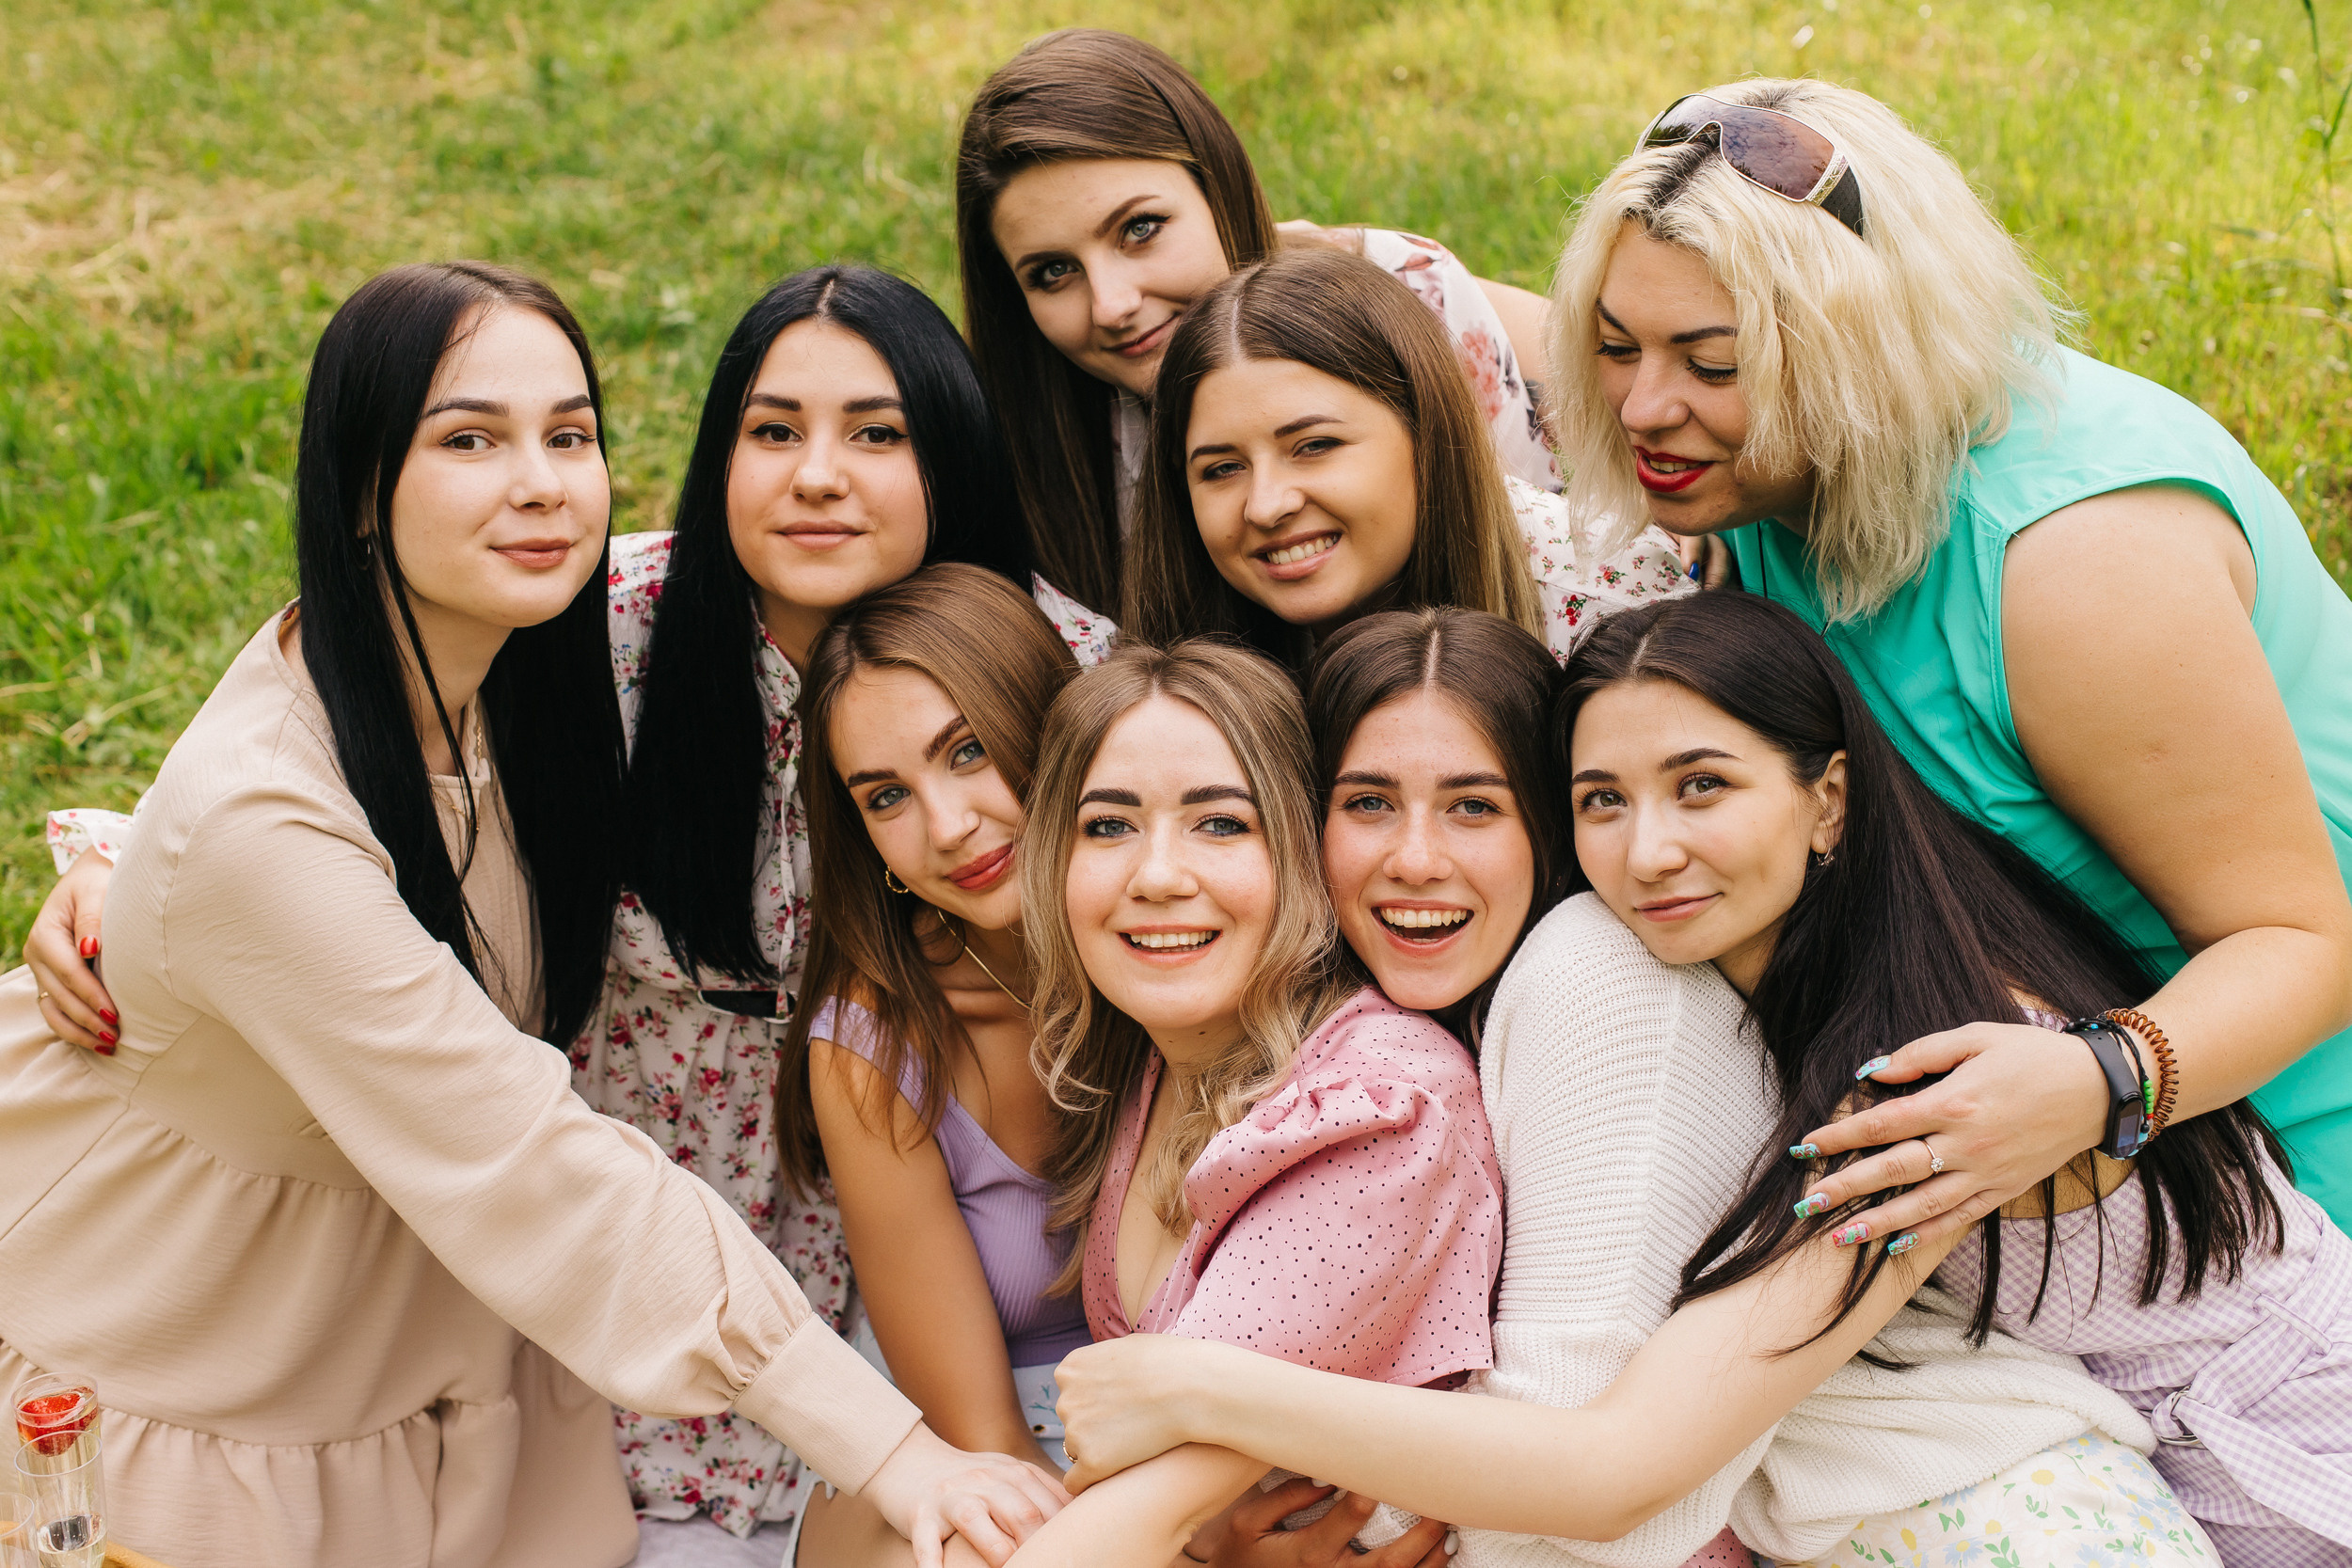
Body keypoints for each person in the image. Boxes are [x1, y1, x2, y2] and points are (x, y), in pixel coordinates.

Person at [25, 263, 1107, 1546]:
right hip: (185, 1346)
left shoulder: (518, 646)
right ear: (363, 487)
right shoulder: (597, 641)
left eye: (571, 435)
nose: (538, 483)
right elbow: (516, 1150)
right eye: (471, 438)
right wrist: (120, 866)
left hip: (473, 1329)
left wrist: (130, 857)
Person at [1038, 592, 2265, 1568]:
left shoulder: (1907, 1085)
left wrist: (1201, 1386)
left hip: (2093, 1498)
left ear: (1827, 796)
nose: (1651, 850)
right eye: (1605, 801)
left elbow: (1612, 1476)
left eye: (1475, 803)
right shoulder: (1722, 991)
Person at [1543, 78, 2352, 1235]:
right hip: (2038, 1120)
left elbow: (2306, 948)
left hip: (2276, 1155)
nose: (1641, 405)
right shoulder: (1780, 469)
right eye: (1617, 346)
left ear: (1857, 352)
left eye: (1712, 365)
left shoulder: (2073, 567)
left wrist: (2095, 1080)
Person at [1011, 638, 1503, 1565]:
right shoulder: (1162, 1064)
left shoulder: (1381, 1107)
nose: (1156, 874)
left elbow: (1143, 1512)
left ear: (1301, 850)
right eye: (1108, 826)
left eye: (1220, 824)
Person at [956, 27, 1560, 611]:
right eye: (1053, 272)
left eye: (1141, 229)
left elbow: (1537, 559)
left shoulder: (1409, 295)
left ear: (1220, 190)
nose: (1112, 305)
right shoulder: (1018, 436)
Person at [775, 564, 1085, 1566]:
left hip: (1170, 1446)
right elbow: (980, 1441)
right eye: (886, 794)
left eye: (967, 750)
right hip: (961, 1470)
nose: (947, 825)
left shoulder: (1180, 938)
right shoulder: (874, 1041)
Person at [1120, 248, 1690, 665]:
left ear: (1425, 433)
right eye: (1221, 469)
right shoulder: (1185, 643)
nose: (1265, 507)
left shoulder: (1609, 613)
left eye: (1314, 446)